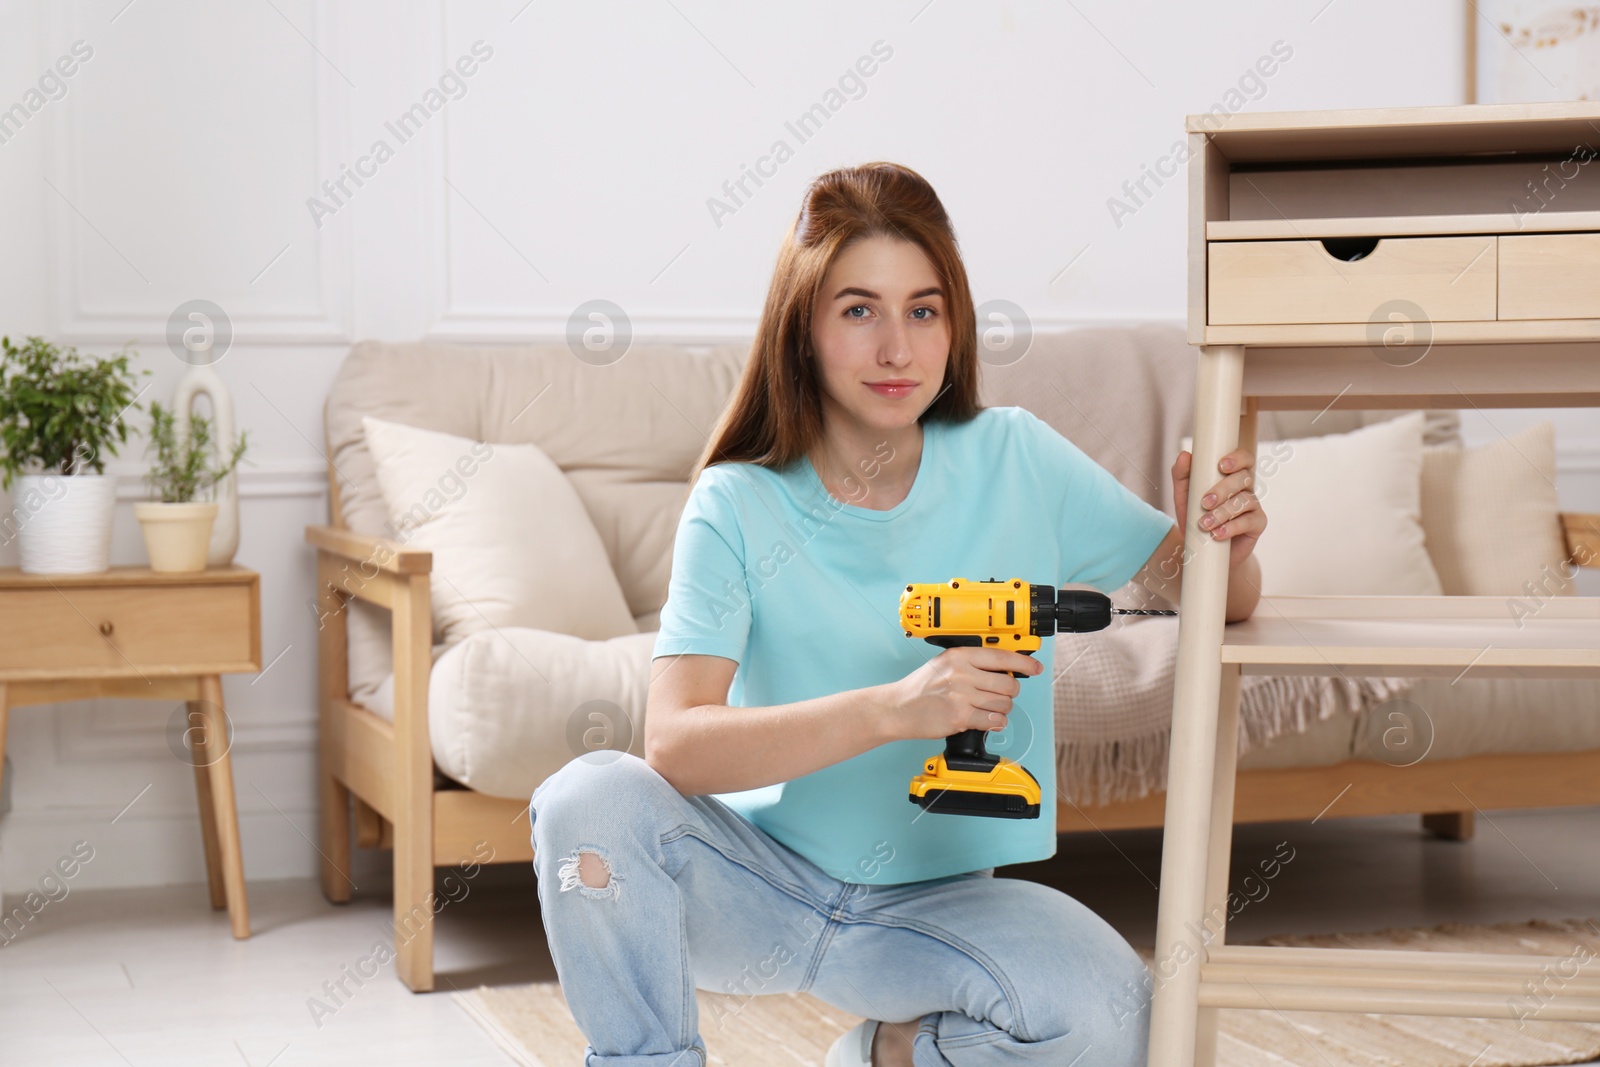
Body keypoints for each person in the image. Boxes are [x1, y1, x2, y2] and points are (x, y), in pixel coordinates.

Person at [528, 161, 1267, 1067]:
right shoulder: (738, 501)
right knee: (587, 799)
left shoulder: (1018, 458)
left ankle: (885, 1053)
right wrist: (896, 709)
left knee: (1122, 1022)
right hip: (755, 885)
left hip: (937, 909)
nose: (897, 349)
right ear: (802, 328)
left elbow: (1213, 597)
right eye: (858, 310)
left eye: (923, 310)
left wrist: (1220, 535)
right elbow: (675, 743)